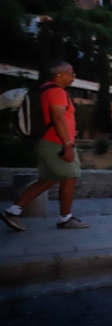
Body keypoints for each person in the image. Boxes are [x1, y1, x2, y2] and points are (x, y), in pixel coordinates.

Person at [1, 61, 88, 231]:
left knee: (47, 180)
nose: (74, 76)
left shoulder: (44, 89)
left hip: (47, 142)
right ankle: (65, 219)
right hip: (56, 143)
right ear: (60, 75)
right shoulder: (56, 91)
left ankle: (13, 211)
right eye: (71, 72)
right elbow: (57, 118)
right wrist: (68, 145)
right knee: (70, 178)